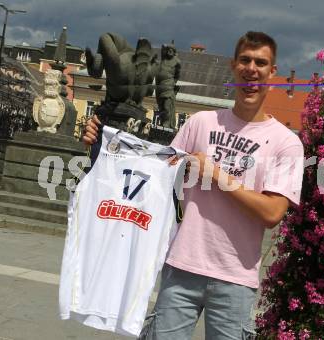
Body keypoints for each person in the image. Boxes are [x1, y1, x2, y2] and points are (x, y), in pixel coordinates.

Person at [83, 31, 304, 340]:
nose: (251, 68)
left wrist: (216, 175)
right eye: (245, 60)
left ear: (272, 72)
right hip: (181, 266)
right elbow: (155, 176)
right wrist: (102, 151)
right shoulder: (200, 123)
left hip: (235, 278)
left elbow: (272, 212)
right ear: (234, 66)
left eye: (261, 62)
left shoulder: (286, 143)